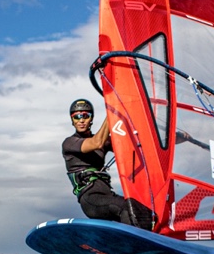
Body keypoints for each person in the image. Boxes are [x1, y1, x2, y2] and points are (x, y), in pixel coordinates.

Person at [62, 98, 154, 229]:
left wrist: (172, 138)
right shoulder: (70, 143)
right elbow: (96, 143)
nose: (81, 120)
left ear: (91, 118)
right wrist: (113, 112)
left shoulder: (104, 142)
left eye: (85, 116)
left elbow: (138, 145)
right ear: (72, 120)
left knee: (142, 210)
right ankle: (134, 246)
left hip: (108, 195)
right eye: (77, 117)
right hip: (91, 198)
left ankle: (154, 241)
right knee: (125, 207)